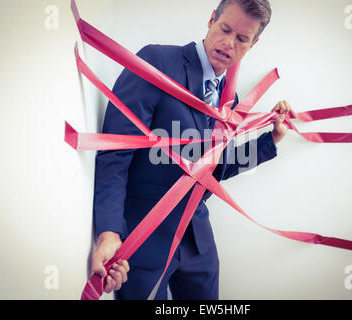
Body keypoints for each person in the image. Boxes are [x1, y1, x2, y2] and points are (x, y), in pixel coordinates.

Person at [91, 0, 291, 300]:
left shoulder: (229, 98)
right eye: (225, 29)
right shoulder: (156, 61)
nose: (228, 44)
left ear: (254, 44)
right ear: (211, 19)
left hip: (198, 243)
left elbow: (217, 167)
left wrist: (271, 139)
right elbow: (116, 151)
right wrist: (109, 233)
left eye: (241, 39)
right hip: (142, 237)